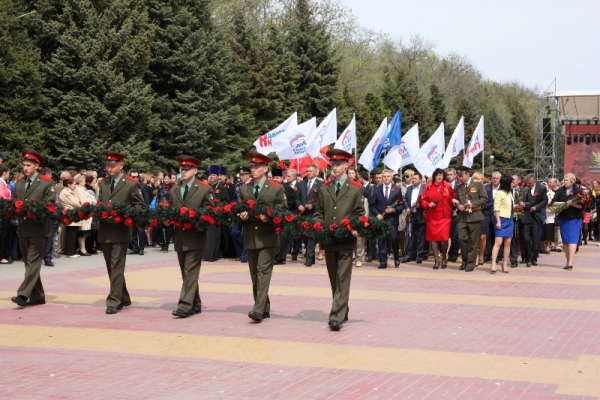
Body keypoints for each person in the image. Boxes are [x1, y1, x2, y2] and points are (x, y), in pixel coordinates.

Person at [313, 149, 365, 331]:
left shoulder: (356, 188)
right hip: (328, 239)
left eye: (338, 164)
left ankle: (336, 315)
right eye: (333, 164)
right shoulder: (324, 188)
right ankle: (343, 307)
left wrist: (354, 227)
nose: (335, 168)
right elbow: (319, 213)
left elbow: (359, 213)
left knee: (343, 277)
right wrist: (318, 225)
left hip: (345, 238)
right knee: (334, 278)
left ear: (346, 165)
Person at [237, 151, 287, 322]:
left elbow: (283, 211)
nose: (253, 169)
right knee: (254, 274)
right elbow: (240, 208)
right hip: (251, 236)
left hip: (268, 236)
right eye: (251, 167)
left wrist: (271, 217)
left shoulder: (276, 188)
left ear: (265, 168)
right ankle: (263, 307)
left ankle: (257, 309)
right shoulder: (245, 189)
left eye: (257, 167)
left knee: (263, 272)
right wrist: (242, 216)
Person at [97, 150, 146, 314]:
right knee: (111, 267)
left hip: (120, 230)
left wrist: (125, 214)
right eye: (108, 166)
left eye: (113, 166)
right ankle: (123, 296)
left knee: (117, 266)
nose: (109, 169)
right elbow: (100, 202)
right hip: (105, 230)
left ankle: (114, 300)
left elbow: (140, 206)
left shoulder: (131, 184)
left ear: (121, 166)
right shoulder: (103, 183)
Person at [167, 155, 214, 318]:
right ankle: (195, 303)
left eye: (187, 169)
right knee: (185, 272)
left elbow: (210, 211)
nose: (184, 171)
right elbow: (171, 211)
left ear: (195, 170)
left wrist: (196, 218)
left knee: (190, 270)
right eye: (182, 169)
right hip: (180, 236)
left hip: (196, 236)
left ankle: (184, 305)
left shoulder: (204, 188)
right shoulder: (174, 190)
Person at [11, 148, 56, 308]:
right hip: (23, 228)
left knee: (33, 261)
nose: (25, 168)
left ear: (37, 166)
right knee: (28, 263)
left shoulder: (46, 182)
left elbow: (50, 203)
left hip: (38, 228)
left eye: (29, 165)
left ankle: (23, 294)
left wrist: (35, 209)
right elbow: (15, 201)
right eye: (24, 165)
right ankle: (38, 295)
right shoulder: (20, 183)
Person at [452, 166, 488, 272]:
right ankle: (465, 260)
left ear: (467, 174)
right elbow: (457, 201)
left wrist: (472, 204)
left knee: (473, 241)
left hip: (475, 215)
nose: (460, 178)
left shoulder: (478, 184)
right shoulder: (458, 187)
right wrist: (458, 206)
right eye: (458, 176)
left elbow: (484, 198)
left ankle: (470, 263)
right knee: (461, 239)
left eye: (461, 176)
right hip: (463, 216)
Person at [420, 168, 455, 269]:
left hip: (444, 216)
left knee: (444, 238)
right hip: (432, 216)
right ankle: (436, 261)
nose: (440, 177)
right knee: (433, 239)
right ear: (434, 176)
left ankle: (444, 257)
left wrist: (454, 200)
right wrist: (428, 204)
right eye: (438, 175)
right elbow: (423, 200)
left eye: (441, 175)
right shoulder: (428, 187)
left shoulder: (448, 186)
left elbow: (452, 197)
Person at [370, 170, 405, 269]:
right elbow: (372, 206)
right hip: (381, 220)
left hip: (392, 220)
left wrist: (394, 209)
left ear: (391, 178)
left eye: (388, 176)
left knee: (394, 239)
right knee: (381, 240)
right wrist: (377, 215)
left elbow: (401, 205)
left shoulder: (397, 189)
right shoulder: (376, 190)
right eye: (384, 176)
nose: (385, 178)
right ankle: (383, 261)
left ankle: (396, 257)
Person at [550, 173, 583, 270]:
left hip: (575, 218)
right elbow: (553, 203)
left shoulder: (577, 190)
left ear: (572, 181)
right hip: (563, 218)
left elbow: (581, 206)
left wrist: (572, 204)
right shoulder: (560, 190)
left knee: (572, 239)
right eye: (564, 180)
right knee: (565, 240)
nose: (564, 181)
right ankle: (569, 260)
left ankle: (570, 263)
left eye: (566, 180)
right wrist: (564, 203)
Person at [518, 173, 548, 267]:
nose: (528, 185)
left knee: (535, 237)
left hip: (535, 215)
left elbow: (544, 201)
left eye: (530, 183)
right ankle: (527, 256)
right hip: (525, 215)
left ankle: (533, 258)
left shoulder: (541, 188)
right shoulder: (524, 188)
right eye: (527, 183)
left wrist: (536, 207)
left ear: (534, 181)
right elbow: (521, 200)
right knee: (526, 237)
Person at [297, 164, 323, 267]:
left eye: (310, 171)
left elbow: (323, 200)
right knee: (305, 237)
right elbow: (297, 197)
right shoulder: (301, 184)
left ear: (316, 172)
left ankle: (309, 258)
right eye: (307, 171)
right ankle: (311, 258)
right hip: (303, 214)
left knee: (312, 237)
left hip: (314, 214)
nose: (308, 173)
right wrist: (299, 205)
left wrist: (313, 205)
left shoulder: (321, 184)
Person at [490, 175, 513, 273]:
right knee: (498, 242)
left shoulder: (509, 193)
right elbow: (496, 208)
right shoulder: (500, 193)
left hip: (510, 219)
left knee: (508, 243)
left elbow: (510, 205)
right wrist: (498, 221)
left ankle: (504, 264)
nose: (512, 184)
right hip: (501, 219)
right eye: (511, 183)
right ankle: (493, 263)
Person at [59, 178, 85, 257]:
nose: (75, 186)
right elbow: (75, 203)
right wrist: (79, 202)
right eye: (74, 184)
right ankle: (69, 252)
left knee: (74, 232)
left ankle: (72, 251)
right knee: (71, 233)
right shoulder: (66, 192)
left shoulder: (71, 191)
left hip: (74, 213)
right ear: (69, 185)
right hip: (70, 213)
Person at [404, 172, 427, 263]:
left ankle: (420, 255)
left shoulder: (424, 188)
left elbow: (427, 200)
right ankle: (409, 255)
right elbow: (405, 199)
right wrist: (406, 208)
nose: (413, 180)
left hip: (421, 215)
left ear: (420, 180)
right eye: (412, 178)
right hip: (411, 215)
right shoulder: (409, 189)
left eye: (415, 178)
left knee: (421, 237)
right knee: (410, 236)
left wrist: (420, 205)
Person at [231, 166, 251, 263]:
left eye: (243, 175)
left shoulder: (251, 184)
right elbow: (234, 199)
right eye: (240, 175)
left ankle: (244, 255)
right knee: (234, 232)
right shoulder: (238, 185)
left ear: (248, 175)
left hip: (248, 212)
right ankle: (239, 253)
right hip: (237, 212)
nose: (241, 177)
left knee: (246, 233)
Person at [473, 172, 493, 265]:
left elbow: (491, 202)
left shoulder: (488, 189)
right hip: (473, 214)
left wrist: (482, 206)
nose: (478, 181)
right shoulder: (470, 188)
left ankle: (481, 254)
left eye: (480, 179)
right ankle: (475, 256)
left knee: (482, 236)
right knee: (474, 236)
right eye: (476, 179)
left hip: (484, 214)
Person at [0, 165, 12, 264]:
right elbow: (3, 197)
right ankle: (1, 256)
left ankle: (4, 254)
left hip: (7, 212)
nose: (9, 174)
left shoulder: (5, 183)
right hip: (3, 212)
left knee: (5, 234)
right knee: (2, 234)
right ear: (4, 172)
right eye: (8, 172)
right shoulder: (0, 183)